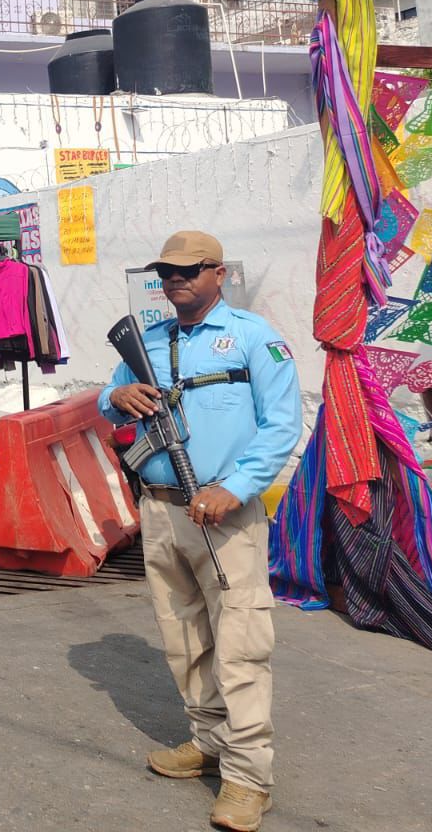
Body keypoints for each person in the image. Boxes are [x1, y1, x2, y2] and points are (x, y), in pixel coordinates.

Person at [98, 231, 302, 832]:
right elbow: (110, 404)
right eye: (166, 271)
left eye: (189, 270)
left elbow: (280, 427)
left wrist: (232, 488)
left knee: (240, 645)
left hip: (221, 514)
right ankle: (208, 740)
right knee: (183, 636)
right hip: (160, 510)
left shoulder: (253, 337)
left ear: (218, 273)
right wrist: (118, 394)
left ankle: (246, 777)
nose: (175, 279)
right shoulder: (149, 340)